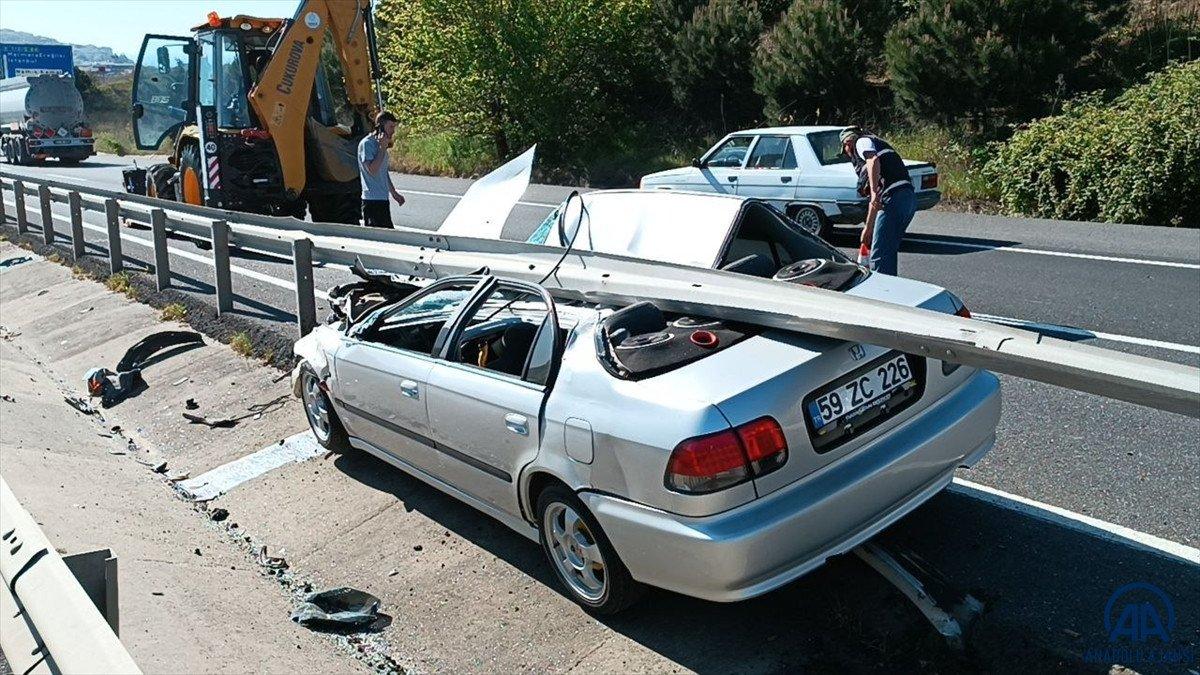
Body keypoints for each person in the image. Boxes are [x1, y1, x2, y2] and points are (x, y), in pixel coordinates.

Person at [840, 126, 916, 275]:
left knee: (879, 256)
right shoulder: (875, 145)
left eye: (845, 150)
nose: (848, 155)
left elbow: (872, 159)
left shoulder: (862, 142)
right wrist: (868, 228)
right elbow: (875, 203)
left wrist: (874, 191)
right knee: (886, 251)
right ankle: (890, 291)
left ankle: (880, 294)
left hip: (895, 198)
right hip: (907, 200)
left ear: (847, 143)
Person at [358, 110, 406, 228]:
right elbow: (372, 170)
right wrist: (382, 148)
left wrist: (394, 193)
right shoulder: (367, 144)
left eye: (394, 127)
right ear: (381, 126)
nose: (393, 131)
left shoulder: (380, 144)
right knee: (381, 239)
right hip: (372, 200)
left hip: (382, 198)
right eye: (390, 126)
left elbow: (383, 172)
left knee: (388, 236)